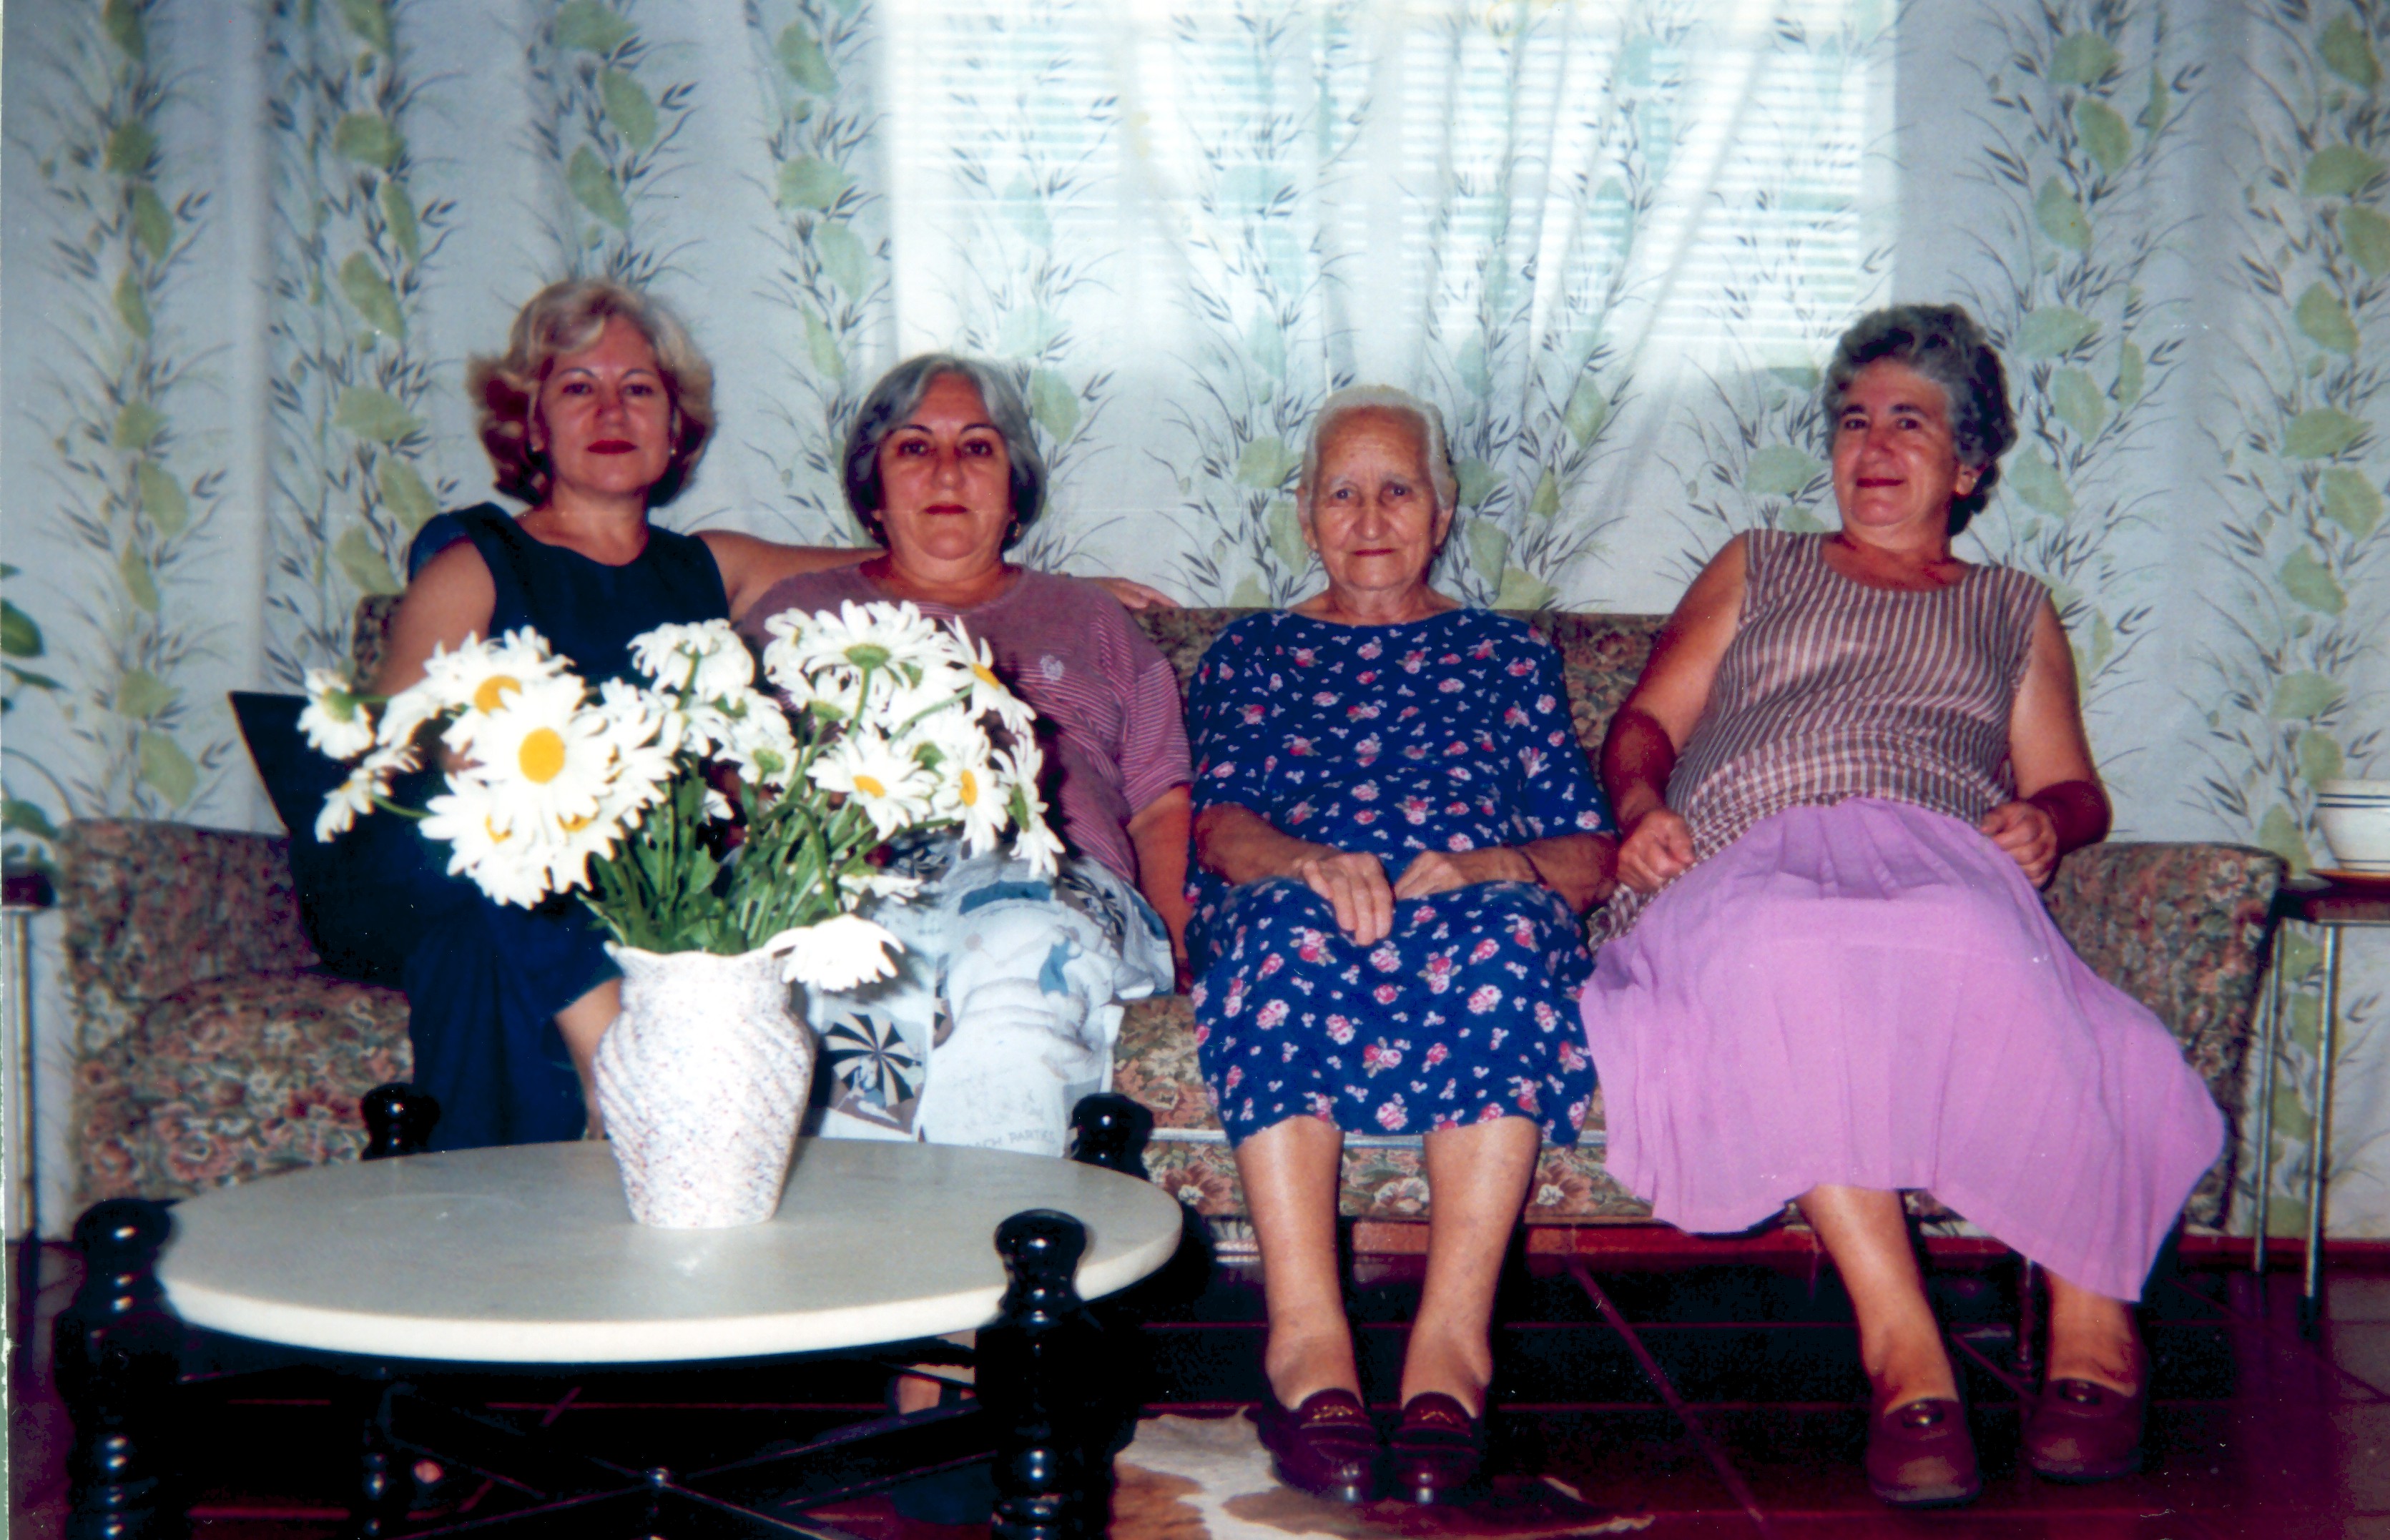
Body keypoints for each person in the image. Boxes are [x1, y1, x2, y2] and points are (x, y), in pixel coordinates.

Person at [1582, 304, 2223, 1506]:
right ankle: (1904, 1349)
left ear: (1968, 465)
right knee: (1779, 946)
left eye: (1909, 421)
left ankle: (2091, 1328)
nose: (1872, 443)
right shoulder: (1758, 564)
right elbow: (1647, 721)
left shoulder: (2009, 607)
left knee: (1965, 931)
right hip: (1743, 849)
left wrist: (2051, 820)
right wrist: (1635, 805)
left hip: (1935, 847)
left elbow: (2069, 783)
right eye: (1853, 418)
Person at [335, 282, 1164, 1153]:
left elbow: (898, 558)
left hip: (643, 875)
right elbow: (388, 770)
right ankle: (609, 1060)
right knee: (518, 857)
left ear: (674, 424)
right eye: (580, 387)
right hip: (483, 862)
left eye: (641, 389)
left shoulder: (708, 568)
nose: (614, 410)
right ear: (531, 423)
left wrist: (1056, 588)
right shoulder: (472, 566)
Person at [1184, 386, 1616, 1504]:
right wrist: (1305, 861)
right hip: (1301, 890)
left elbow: (1584, 855)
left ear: (1442, 507)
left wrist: (1488, 865)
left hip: (1468, 900)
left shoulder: (1501, 653)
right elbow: (1221, 825)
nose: (1369, 516)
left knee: (1507, 941)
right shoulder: (1256, 650)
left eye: (1396, 488)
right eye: (1341, 491)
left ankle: (1449, 1353)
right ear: (1303, 513)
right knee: (1278, 931)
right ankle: (1307, 1344)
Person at [740, 353, 1192, 1416]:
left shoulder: (1092, 623)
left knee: (1012, 989)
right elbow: (738, 782)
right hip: (864, 877)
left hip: (1052, 877)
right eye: (916, 447)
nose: (947, 469)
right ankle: (905, 1344)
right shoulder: (798, 614)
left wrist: (1177, 942)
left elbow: (1163, 803)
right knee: (864, 988)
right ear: (873, 482)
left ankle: (989, 1342)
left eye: (976, 447)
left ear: (1014, 483)